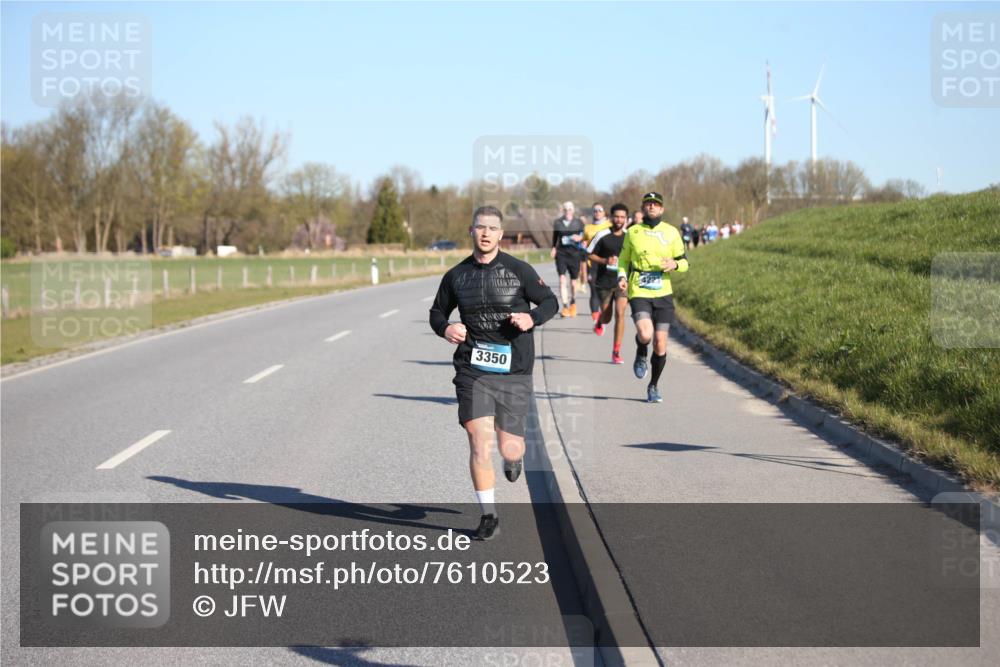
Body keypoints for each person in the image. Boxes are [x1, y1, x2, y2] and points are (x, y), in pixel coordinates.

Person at [430, 205, 559, 540]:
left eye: (492, 228)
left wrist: (532, 318)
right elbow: (437, 312)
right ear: (471, 231)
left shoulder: (519, 271)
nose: (486, 233)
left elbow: (549, 302)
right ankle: (488, 514)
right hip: (472, 368)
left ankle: (513, 459)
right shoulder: (456, 276)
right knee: (478, 440)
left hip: (514, 368)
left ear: (501, 234)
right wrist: (446, 328)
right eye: (480, 227)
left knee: (510, 447)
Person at [616, 192, 689, 403]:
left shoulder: (671, 232)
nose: (651, 207)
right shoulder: (633, 231)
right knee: (645, 334)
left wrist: (675, 265)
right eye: (648, 204)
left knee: (659, 343)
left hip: (663, 291)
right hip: (639, 289)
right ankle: (640, 352)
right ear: (643, 208)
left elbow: (684, 262)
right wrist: (622, 276)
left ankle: (653, 385)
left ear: (662, 209)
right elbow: (623, 259)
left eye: (655, 204)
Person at [588, 202, 629, 362]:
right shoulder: (602, 235)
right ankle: (600, 321)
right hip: (604, 281)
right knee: (607, 318)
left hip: (621, 281)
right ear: (611, 217)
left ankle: (616, 352)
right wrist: (605, 260)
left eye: (622, 217)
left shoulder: (629, 236)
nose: (619, 220)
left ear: (626, 219)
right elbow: (589, 253)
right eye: (616, 216)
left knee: (620, 313)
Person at [550, 201, 584, 317]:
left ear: (573, 210)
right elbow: (555, 237)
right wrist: (554, 248)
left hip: (574, 254)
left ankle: (573, 302)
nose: (568, 211)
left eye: (570, 209)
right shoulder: (558, 223)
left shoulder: (578, 222)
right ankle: (564, 306)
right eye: (566, 209)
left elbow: (584, 236)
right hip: (561, 253)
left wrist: (579, 237)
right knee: (562, 279)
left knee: (574, 283)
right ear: (563, 211)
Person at [583, 203, 612, 325]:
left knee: (605, 292)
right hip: (592, 263)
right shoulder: (587, 228)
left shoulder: (610, 225)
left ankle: (604, 314)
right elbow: (584, 246)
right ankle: (596, 319)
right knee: (594, 290)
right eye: (595, 210)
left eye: (600, 210)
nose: (597, 212)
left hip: (608, 263)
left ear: (604, 212)